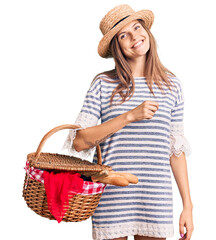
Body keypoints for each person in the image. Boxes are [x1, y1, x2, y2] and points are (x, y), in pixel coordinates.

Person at [63, 4, 194, 240]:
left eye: (137, 27)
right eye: (124, 34)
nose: (135, 36)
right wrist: (128, 116)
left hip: (155, 197)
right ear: (116, 47)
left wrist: (188, 206)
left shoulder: (172, 86)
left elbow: (176, 151)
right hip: (111, 197)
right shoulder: (102, 84)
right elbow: (80, 142)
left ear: (147, 31)